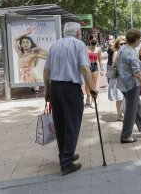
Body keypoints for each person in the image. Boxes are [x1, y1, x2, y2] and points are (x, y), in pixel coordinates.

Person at [43, 22, 98, 175]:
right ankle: (67, 162)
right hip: (70, 88)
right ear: (78, 33)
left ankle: (65, 154)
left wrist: (47, 90)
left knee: (60, 123)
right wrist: (92, 88)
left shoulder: (55, 45)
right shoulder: (79, 45)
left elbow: (46, 69)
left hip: (55, 87)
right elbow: (85, 68)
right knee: (72, 123)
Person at [117, 29, 141, 143]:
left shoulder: (122, 48)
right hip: (131, 85)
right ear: (137, 39)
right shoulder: (131, 52)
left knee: (135, 106)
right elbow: (138, 73)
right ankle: (126, 135)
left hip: (123, 83)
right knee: (131, 110)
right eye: (140, 39)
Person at [13, 27, 47, 93]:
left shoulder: (34, 54)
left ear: (31, 44)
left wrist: (41, 49)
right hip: (23, 79)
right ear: (21, 45)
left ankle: (35, 88)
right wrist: (26, 33)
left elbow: (48, 56)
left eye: (27, 42)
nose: (25, 44)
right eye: (23, 42)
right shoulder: (20, 54)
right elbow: (14, 40)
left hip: (31, 78)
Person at [107, 36, 126, 121]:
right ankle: (119, 114)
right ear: (117, 45)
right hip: (117, 78)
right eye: (121, 44)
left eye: (125, 43)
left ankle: (121, 112)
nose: (123, 45)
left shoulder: (125, 52)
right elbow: (114, 66)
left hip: (124, 77)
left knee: (122, 96)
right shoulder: (116, 53)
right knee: (119, 96)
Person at [84, 35, 104, 108]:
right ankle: (88, 96)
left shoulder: (98, 49)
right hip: (87, 66)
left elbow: (100, 60)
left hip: (95, 66)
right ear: (89, 41)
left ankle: (93, 100)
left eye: (95, 40)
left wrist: (102, 69)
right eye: (93, 40)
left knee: (94, 84)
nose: (94, 42)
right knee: (86, 84)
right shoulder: (86, 49)